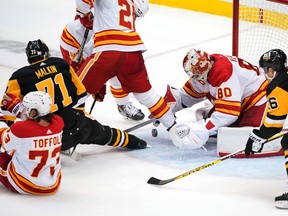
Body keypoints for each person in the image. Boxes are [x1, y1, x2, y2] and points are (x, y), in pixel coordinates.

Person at [0, 39, 147, 155]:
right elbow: (81, 95)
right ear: (46, 53)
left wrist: (15, 136)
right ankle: (136, 142)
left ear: (29, 57)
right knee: (106, 134)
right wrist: (81, 119)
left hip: (49, 138)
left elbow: (6, 112)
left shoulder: (18, 77)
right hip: (79, 124)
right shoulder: (62, 64)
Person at [75, 0, 176, 131]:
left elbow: (82, 4)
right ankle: (176, 128)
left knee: (74, 91)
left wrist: (83, 14)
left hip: (108, 51)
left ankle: (65, 131)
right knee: (148, 96)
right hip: (134, 53)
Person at [167, 48, 269, 152]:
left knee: (246, 135)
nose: (194, 77)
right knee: (215, 123)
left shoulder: (222, 72)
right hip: (240, 99)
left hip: (259, 98)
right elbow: (188, 95)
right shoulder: (205, 69)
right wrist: (165, 111)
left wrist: (204, 129)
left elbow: (229, 113)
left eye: (196, 74)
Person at [59, 0, 145, 121]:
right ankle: (70, 111)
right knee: (76, 81)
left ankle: (123, 105)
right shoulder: (110, 17)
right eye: (136, 14)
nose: (135, 18)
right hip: (73, 41)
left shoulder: (119, 14)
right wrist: (98, 83)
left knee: (116, 72)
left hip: (90, 43)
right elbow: (93, 57)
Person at [244, 49, 288, 209]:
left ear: (271, 69)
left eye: (265, 69)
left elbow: (273, 126)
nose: (264, 74)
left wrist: (255, 137)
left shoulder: (278, 87)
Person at [0, 91, 64, 195]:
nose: (23, 110)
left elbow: (3, 140)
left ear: (33, 112)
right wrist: (19, 111)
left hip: (22, 184)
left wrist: (1, 120)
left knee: (11, 148)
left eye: (25, 107)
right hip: (52, 184)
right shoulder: (58, 122)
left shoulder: (20, 130)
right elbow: (37, 125)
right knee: (19, 148)